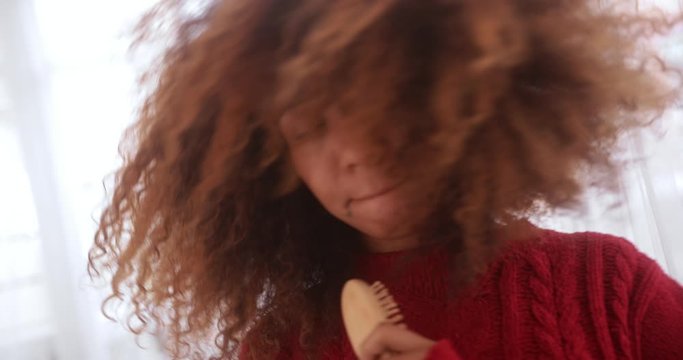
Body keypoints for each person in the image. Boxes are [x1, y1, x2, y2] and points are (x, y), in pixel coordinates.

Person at [88, 0, 683, 359]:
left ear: (460, 97)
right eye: (311, 127)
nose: (354, 151)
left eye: (378, 105)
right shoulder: (278, 348)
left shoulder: (609, 289)